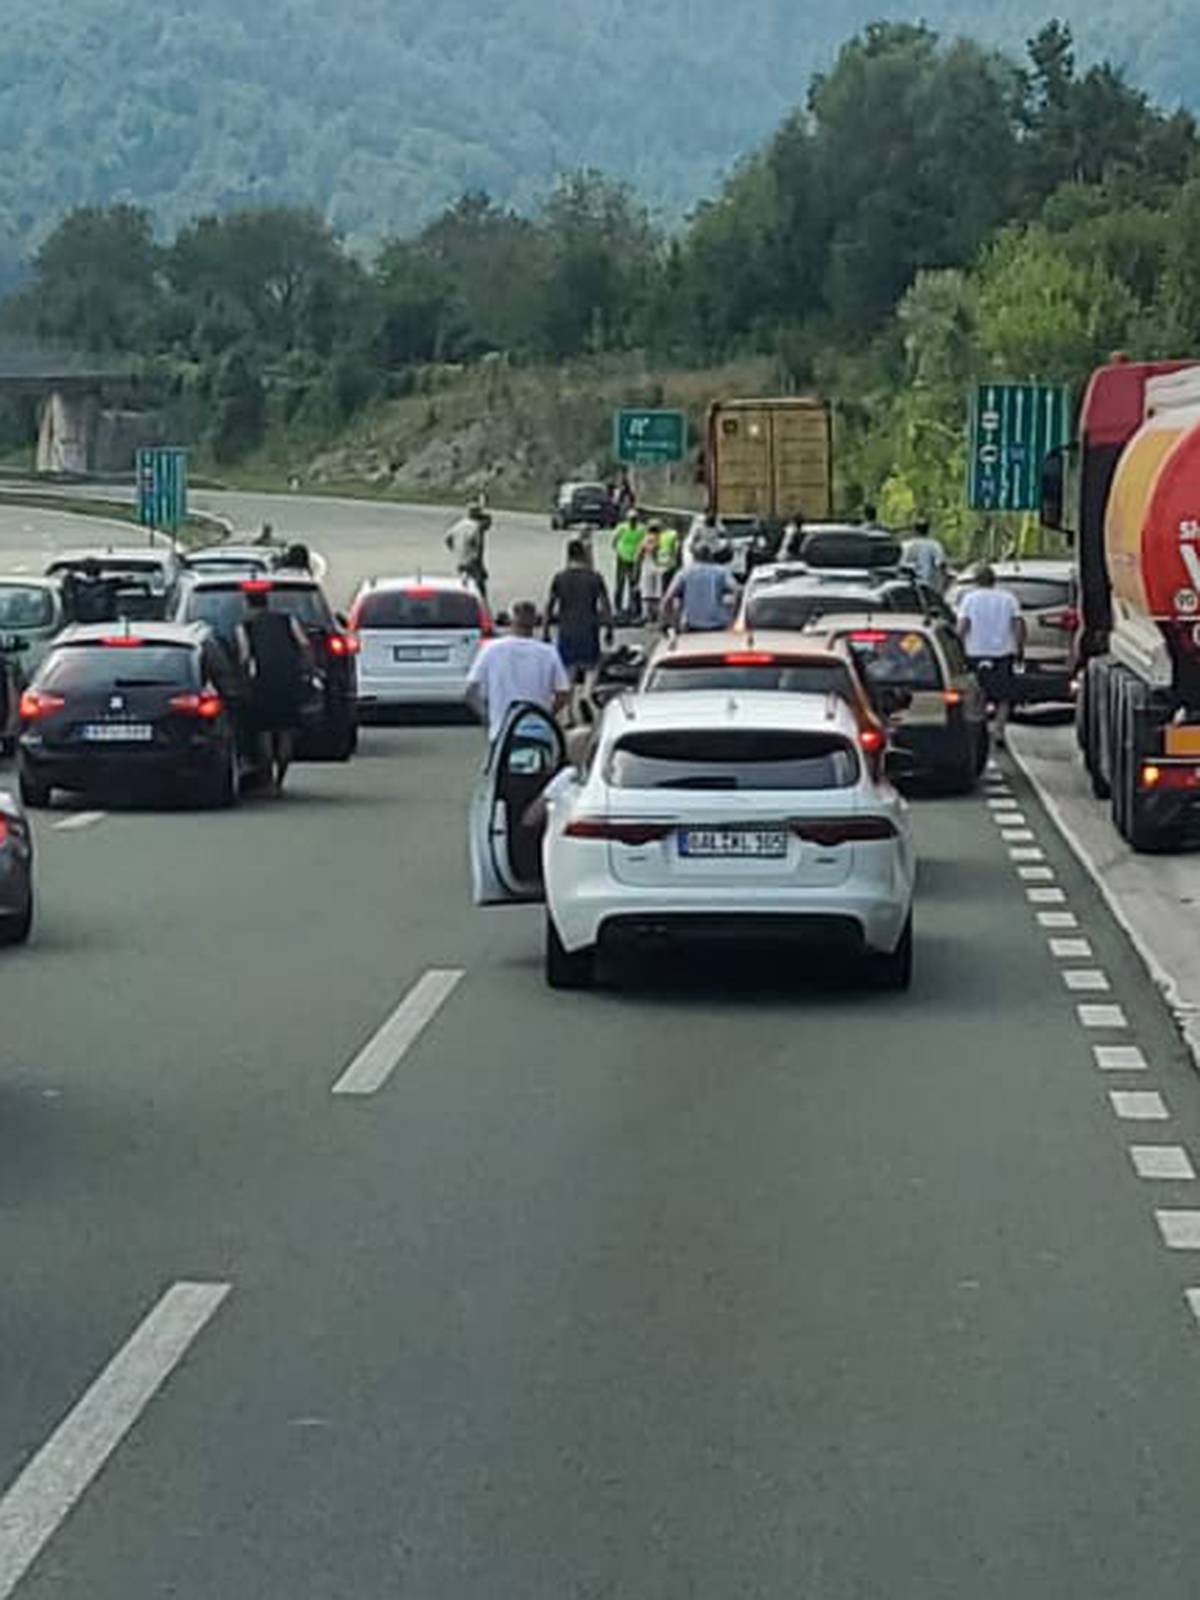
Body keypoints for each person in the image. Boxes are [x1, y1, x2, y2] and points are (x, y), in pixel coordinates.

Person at [235, 586, 312, 793]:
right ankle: (280, 780)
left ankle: (268, 779)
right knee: (285, 730)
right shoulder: (287, 619)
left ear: (247, 604)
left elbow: (244, 657)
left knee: (265, 731)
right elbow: (304, 644)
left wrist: (243, 683)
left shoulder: (245, 625)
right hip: (288, 680)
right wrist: (307, 670)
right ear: (267, 602)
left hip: (263, 682)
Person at [466, 600, 570, 743]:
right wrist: (546, 714)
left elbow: (471, 691)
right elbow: (562, 693)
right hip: (538, 731)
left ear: (510, 620)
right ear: (535, 622)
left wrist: (487, 718)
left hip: (503, 730)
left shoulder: (491, 649)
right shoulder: (548, 653)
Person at [956, 563, 1026, 749]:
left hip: (975, 653)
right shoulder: (1008, 598)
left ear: (975, 580)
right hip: (1002, 652)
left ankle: (979, 729)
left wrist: (956, 647)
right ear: (994, 579)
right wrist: (1019, 648)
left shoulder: (969, 599)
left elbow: (963, 625)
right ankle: (999, 730)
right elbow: (1017, 624)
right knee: (1004, 695)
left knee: (978, 694)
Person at [545, 540, 614, 719]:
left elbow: (549, 606)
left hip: (566, 630)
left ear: (568, 555)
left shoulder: (559, 578)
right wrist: (609, 628)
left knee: (568, 673)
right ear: (584, 555)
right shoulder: (595, 577)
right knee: (592, 667)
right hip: (589, 629)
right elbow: (606, 604)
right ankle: (587, 694)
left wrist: (545, 630)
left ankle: (568, 715)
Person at [662, 539, 741, 632]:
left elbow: (667, 599)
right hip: (719, 624)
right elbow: (738, 591)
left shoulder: (684, 573)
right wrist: (734, 616)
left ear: (693, 556)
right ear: (710, 555)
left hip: (690, 625)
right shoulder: (721, 572)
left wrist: (673, 623)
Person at [445, 503, 492, 602]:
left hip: (461, 560)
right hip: (473, 561)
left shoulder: (458, 525)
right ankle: (481, 606)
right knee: (480, 589)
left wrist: (455, 550)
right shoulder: (476, 527)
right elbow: (478, 545)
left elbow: (447, 539)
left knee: (464, 584)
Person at [611, 509, 646, 620]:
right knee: (620, 583)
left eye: (634, 519)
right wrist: (617, 549)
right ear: (627, 519)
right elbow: (614, 540)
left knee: (634, 584)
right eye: (631, 519)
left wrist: (640, 555)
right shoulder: (622, 528)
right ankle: (618, 607)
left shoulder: (641, 529)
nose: (633, 522)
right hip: (623, 558)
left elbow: (644, 542)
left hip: (635, 559)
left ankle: (634, 608)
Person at [902, 517, 948, 593]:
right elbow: (941, 565)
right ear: (928, 531)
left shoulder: (905, 545)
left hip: (907, 585)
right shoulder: (934, 545)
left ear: (914, 530)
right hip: (928, 586)